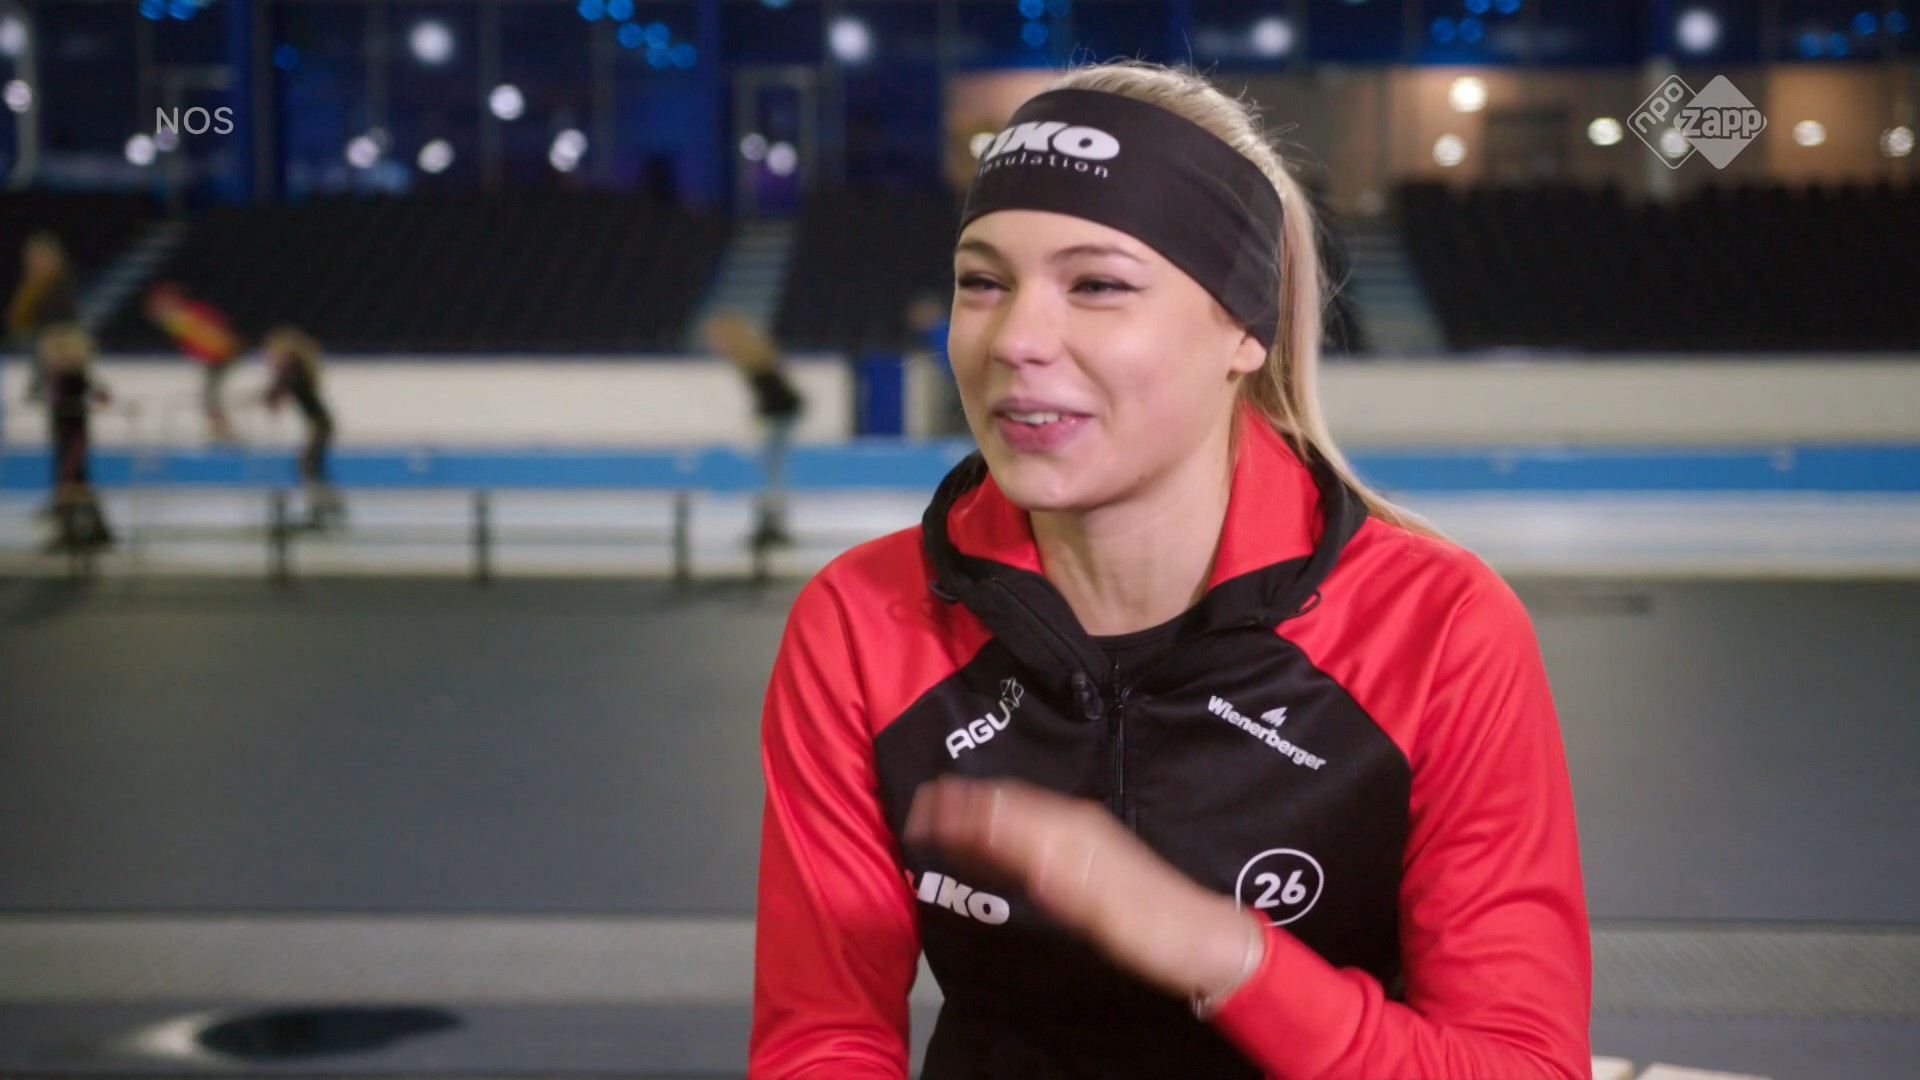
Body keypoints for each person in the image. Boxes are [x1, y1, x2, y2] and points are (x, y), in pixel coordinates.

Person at [749, 61, 1590, 1080]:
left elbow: (1520, 1064)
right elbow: (824, 1040)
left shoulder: (1438, 630)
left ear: (1242, 328)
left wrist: (1231, 961)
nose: (1016, 339)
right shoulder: (861, 623)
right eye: (983, 282)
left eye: (1097, 285)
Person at [703, 314, 806, 549]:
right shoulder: (751, 356)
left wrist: (762, 415)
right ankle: (772, 520)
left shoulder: (751, 356)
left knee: (772, 472)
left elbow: (774, 393)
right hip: (781, 413)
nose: (714, 342)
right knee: (771, 470)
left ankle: (773, 522)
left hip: (782, 413)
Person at [260, 326, 345, 530]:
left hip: (319, 424)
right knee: (312, 467)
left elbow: (275, 391)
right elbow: (276, 392)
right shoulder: (296, 370)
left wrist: (261, 399)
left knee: (308, 467)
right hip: (320, 423)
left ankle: (323, 511)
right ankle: (329, 508)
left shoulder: (293, 371)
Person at [38, 326, 115, 553]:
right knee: (79, 483)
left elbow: (101, 394)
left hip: (73, 437)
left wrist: (82, 406)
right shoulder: (58, 376)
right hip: (64, 436)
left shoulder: (73, 375)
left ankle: (69, 531)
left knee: (68, 483)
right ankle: (98, 530)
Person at [144, 281, 242, 445]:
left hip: (221, 356)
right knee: (209, 397)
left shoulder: (185, 316)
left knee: (210, 397)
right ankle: (221, 430)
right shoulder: (183, 317)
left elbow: (212, 337)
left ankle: (224, 432)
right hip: (219, 356)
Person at [7, 232, 79, 403]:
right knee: (48, 346)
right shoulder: (29, 289)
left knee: (68, 347)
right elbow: (17, 320)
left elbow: (66, 317)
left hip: (60, 334)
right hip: (37, 336)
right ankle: (43, 385)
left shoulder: (61, 286)